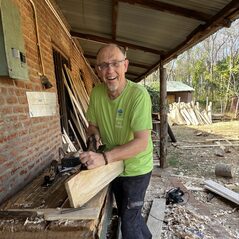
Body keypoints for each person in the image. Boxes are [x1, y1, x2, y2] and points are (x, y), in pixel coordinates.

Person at [80, 44, 153, 239]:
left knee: (128, 225)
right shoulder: (97, 93)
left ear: (125, 66)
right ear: (98, 70)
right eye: (103, 65)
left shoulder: (138, 95)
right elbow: (92, 125)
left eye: (115, 64)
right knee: (128, 214)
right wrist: (94, 135)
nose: (110, 70)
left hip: (136, 169)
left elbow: (141, 143)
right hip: (114, 167)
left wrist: (103, 158)